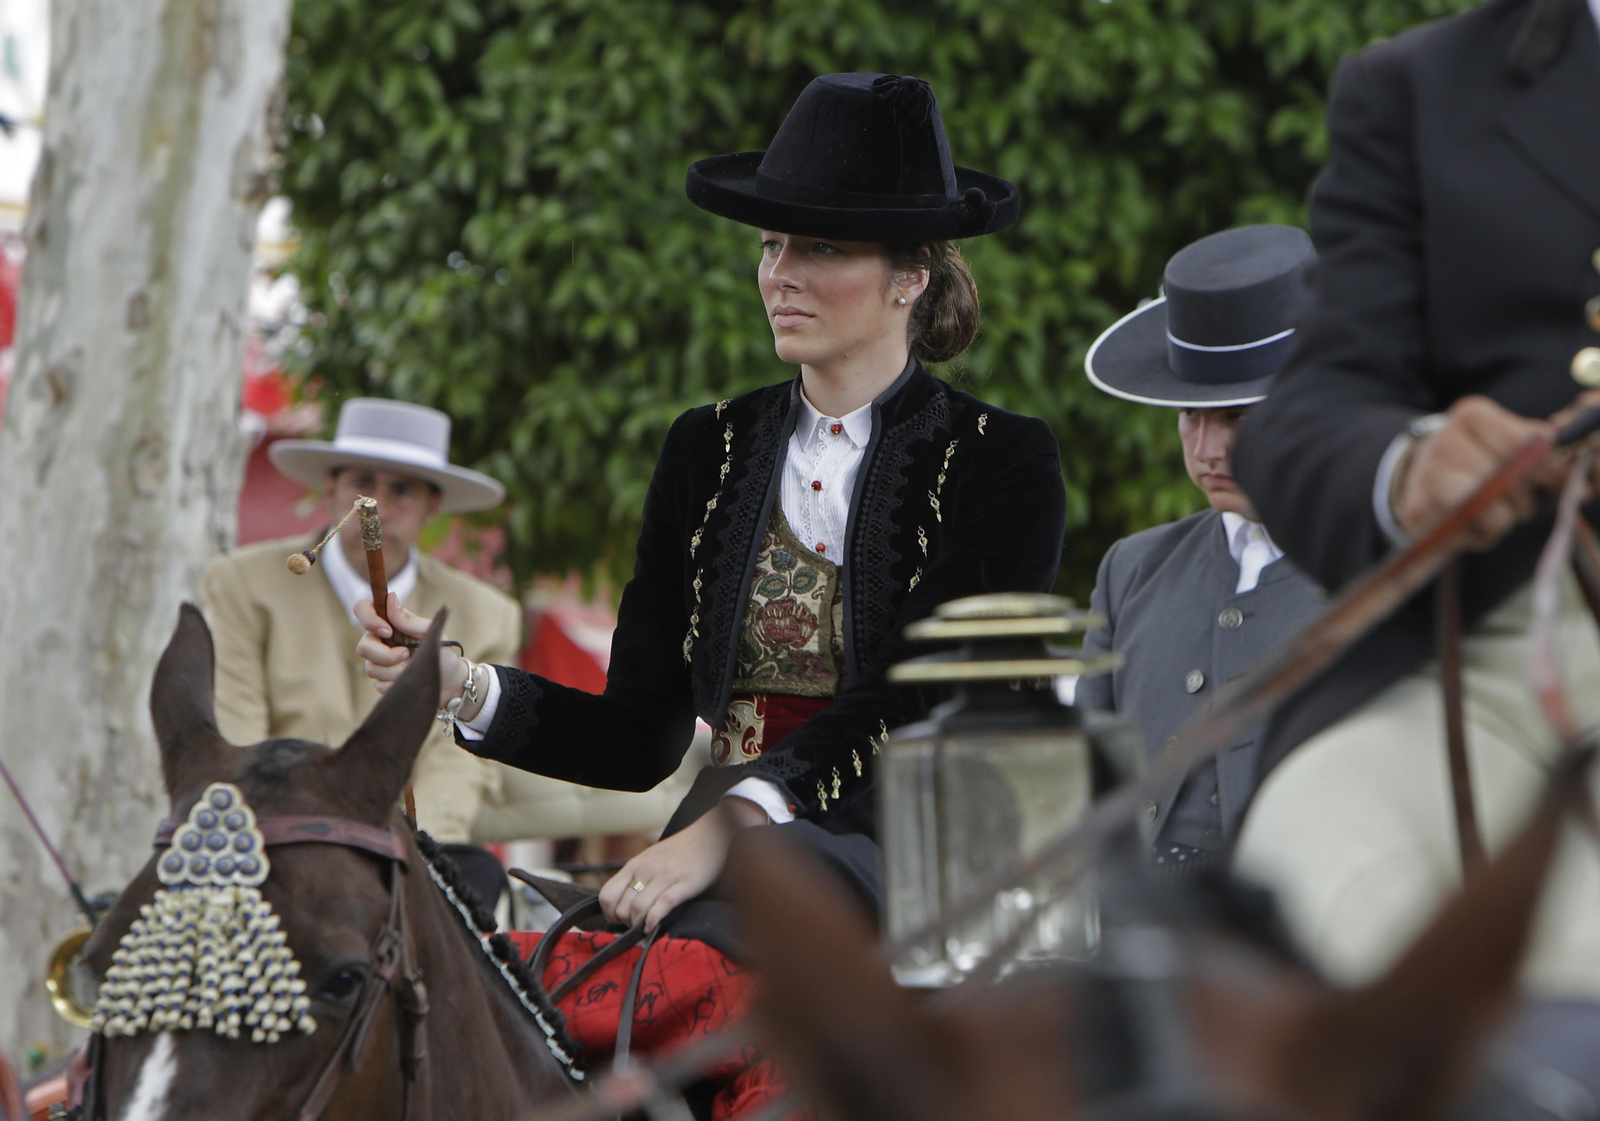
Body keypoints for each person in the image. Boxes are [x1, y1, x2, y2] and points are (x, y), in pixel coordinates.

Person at [357, 71, 1066, 1107]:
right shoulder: (707, 447)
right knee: (505, 1008)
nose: (780, 271)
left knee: (691, 987)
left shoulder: (1004, 457)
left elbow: (925, 697)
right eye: (773, 244)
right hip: (721, 851)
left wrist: (733, 828)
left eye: (819, 246)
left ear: (911, 274)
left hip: (921, 839)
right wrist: (463, 686)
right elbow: (639, 732)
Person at [1228, 0, 1600, 994]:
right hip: (1505, 662)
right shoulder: (1420, 89)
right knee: (1318, 862)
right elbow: (1305, 413)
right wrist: (1413, 464)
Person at [201, 398, 692, 874]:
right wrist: (293, 841)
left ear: (431, 507)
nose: (380, 507)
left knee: (476, 882)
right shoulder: (244, 584)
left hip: (406, 853)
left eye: (403, 491)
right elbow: (239, 731)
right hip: (277, 841)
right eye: (362, 483)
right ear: (330, 489)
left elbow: (456, 761)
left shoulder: (483, 613)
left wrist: (419, 857)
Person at [1075, 225, 1326, 873]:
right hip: (1135, 930)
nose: (1207, 451)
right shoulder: (1132, 567)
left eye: (1237, 416)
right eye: (1191, 416)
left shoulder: (1381, 565)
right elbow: (1086, 787)